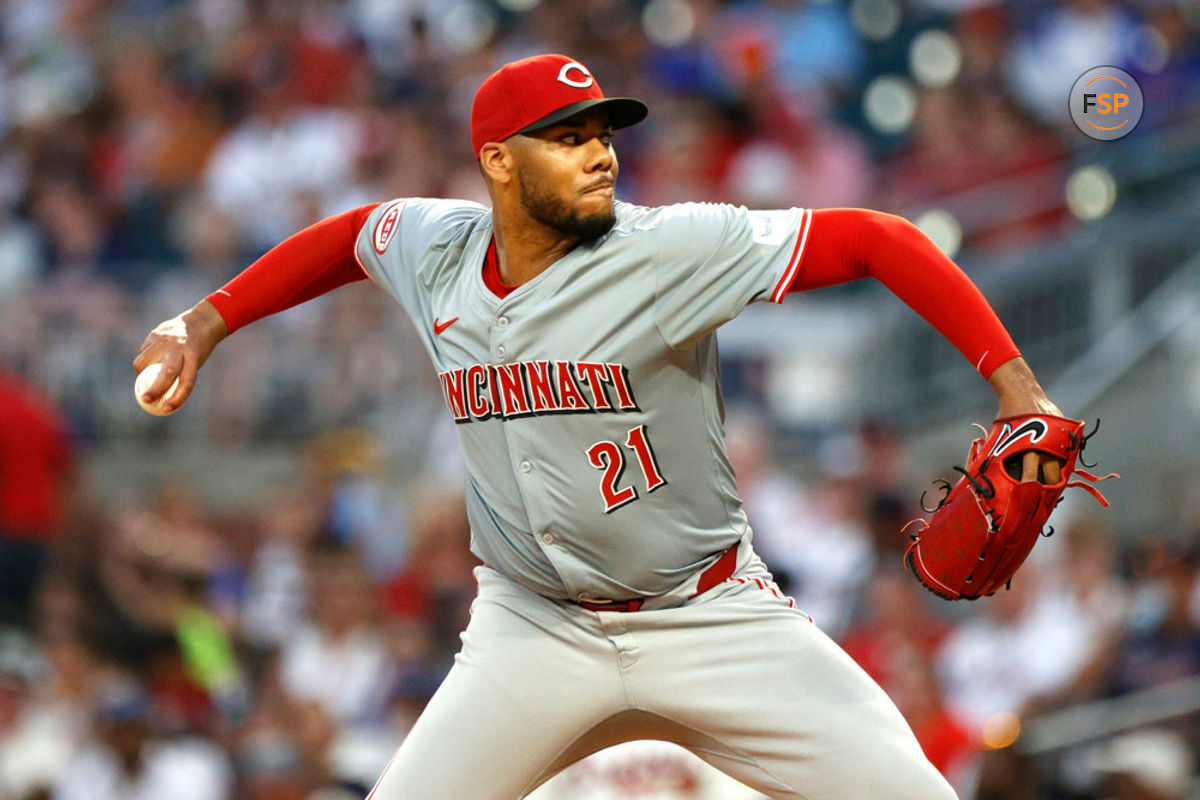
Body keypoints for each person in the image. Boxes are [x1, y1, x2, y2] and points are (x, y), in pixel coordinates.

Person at [134, 53, 1067, 800]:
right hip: (532, 630)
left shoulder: (666, 249)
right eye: (566, 137)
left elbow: (879, 237)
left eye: (603, 135)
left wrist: (1017, 387)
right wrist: (205, 321)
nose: (600, 154)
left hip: (708, 616)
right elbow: (347, 238)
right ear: (498, 161)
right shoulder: (433, 248)